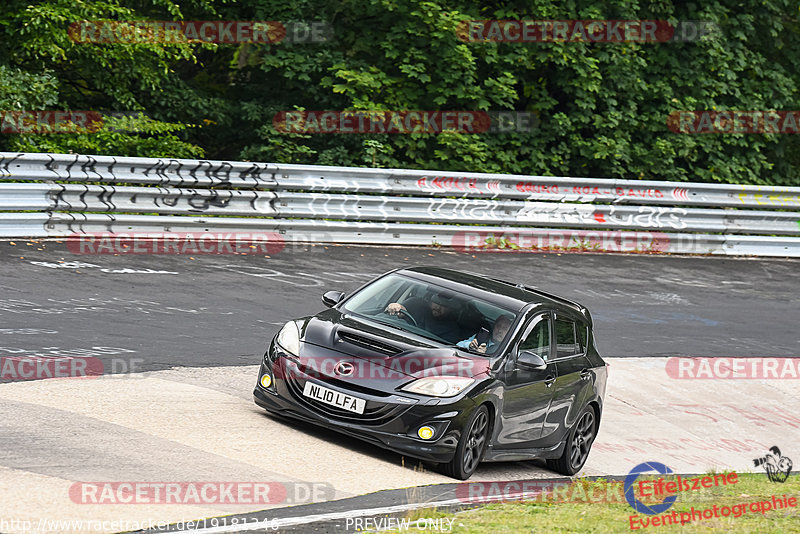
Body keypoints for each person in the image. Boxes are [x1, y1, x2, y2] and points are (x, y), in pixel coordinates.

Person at [384, 292, 462, 342]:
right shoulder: (415, 304)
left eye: (444, 306)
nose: (438, 307)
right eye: (436, 302)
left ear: (451, 310)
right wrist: (395, 306)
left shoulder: (452, 330)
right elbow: (400, 309)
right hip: (393, 337)